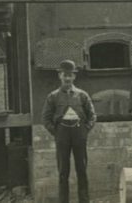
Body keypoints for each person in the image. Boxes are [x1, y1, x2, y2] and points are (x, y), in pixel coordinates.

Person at [41, 60, 96, 203]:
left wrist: (85, 130)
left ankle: (84, 200)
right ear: (59, 76)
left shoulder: (82, 95)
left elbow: (92, 115)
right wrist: (57, 132)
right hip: (62, 135)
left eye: (70, 75)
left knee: (82, 170)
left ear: (74, 77)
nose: (67, 78)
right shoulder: (52, 96)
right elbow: (46, 118)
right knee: (63, 172)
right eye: (64, 75)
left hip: (79, 134)